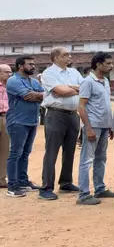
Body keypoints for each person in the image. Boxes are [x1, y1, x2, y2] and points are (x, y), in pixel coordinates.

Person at [40, 47, 84, 200]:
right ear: (56, 57)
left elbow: (84, 88)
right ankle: (46, 187)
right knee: (52, 151)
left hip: (73, 114)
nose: (69, 56)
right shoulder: (48, 73)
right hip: (55, 114)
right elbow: (60, 91)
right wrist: (73, 89)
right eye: (66, 55)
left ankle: (66, 182)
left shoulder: (74, 72)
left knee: (70, 150)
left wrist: (69, 88)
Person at [76, 52, 114, 205]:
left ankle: (99, 188)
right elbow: (81, 107)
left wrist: (110, 125)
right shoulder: (88, 82)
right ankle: (84, 194)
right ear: (98, 64)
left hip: (104, 126)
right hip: (93, 126)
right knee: (87, 159)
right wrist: (88, 128)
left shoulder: (105, 81)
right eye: (108, 63)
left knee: (101, 158)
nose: (111, 66)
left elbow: (106, 105)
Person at [5, 56, 44, 197]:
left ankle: (23, 181)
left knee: (25, 153)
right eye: (30, 64)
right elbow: (28, 96)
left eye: (34, 64)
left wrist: (38, 95)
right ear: (21, 66)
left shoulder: (33, 81)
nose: (33, 66)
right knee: (15, 153)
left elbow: (45, 94)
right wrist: (39, 95)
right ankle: (12, 185)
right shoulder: (13, 81)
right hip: (17, 121)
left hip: (32, 121)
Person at [0, 64, 11, 189]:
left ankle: (2, 180)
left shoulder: (11, 87)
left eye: (10, 72)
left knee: (4, 150)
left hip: (6, 118)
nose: (9, 74)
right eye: (6, 72)